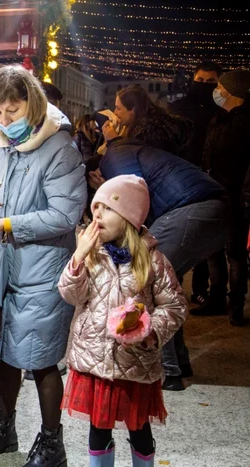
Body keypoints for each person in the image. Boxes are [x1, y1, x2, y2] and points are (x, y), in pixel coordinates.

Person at [0, 65, 87, 465]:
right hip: (2, 266)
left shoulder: (59, 147)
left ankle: (52, 444)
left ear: (31, 103)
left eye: (12, 111)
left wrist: (7, 223)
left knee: (39, 357)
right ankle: (4, 429)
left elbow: (64, 214)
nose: (4, 121)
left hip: (41, 270)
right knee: (2, 351)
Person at [58, 175, 187, 467]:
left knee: (139, 427)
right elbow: (71, 294)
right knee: (98, 429)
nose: (97, 214)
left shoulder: (154, 261)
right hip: (95, 360)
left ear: (129, 217)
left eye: (107, 208)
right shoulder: (91, 255)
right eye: (95, 207)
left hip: (135, 361)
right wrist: (78, 257)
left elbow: (175, 305)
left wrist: (147, 329)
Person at [94, 130, 228, 391]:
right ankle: (180, 362)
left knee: (147, 284)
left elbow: (133, 191)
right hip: (216, 211)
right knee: (168, 285)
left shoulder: (113, 157)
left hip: (193, 210)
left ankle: (169, 372)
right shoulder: (140, 150)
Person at [168, 61, 223, 307]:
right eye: (200, 80)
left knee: (207, 238)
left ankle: (203, 289)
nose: (204, 85)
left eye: (211, 82)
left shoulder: (222, 112)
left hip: (213, 177)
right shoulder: (178, 108)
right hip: (181, 178)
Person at [198, 69, 250, 326]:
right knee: (212, 248)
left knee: (235, 252)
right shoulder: (217, 118)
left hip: (237, 197)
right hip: (214, 193)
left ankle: (236, 303)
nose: (216, 90)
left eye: (219, 86)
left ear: (230, 91)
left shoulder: (246, 121)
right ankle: (215, 296)